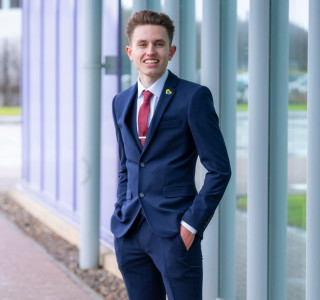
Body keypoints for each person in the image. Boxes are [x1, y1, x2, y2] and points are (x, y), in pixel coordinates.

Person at [111, 10, 231, 300]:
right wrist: (121, 206)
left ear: (171, 50)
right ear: (130, 51)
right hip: (129, 231)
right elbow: (127, 165)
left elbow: (219, 170)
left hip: (175, 233)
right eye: (142, 44)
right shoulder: (120, 102)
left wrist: (191, 225)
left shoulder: (194, 97)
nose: (150, 51)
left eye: (158, 44)